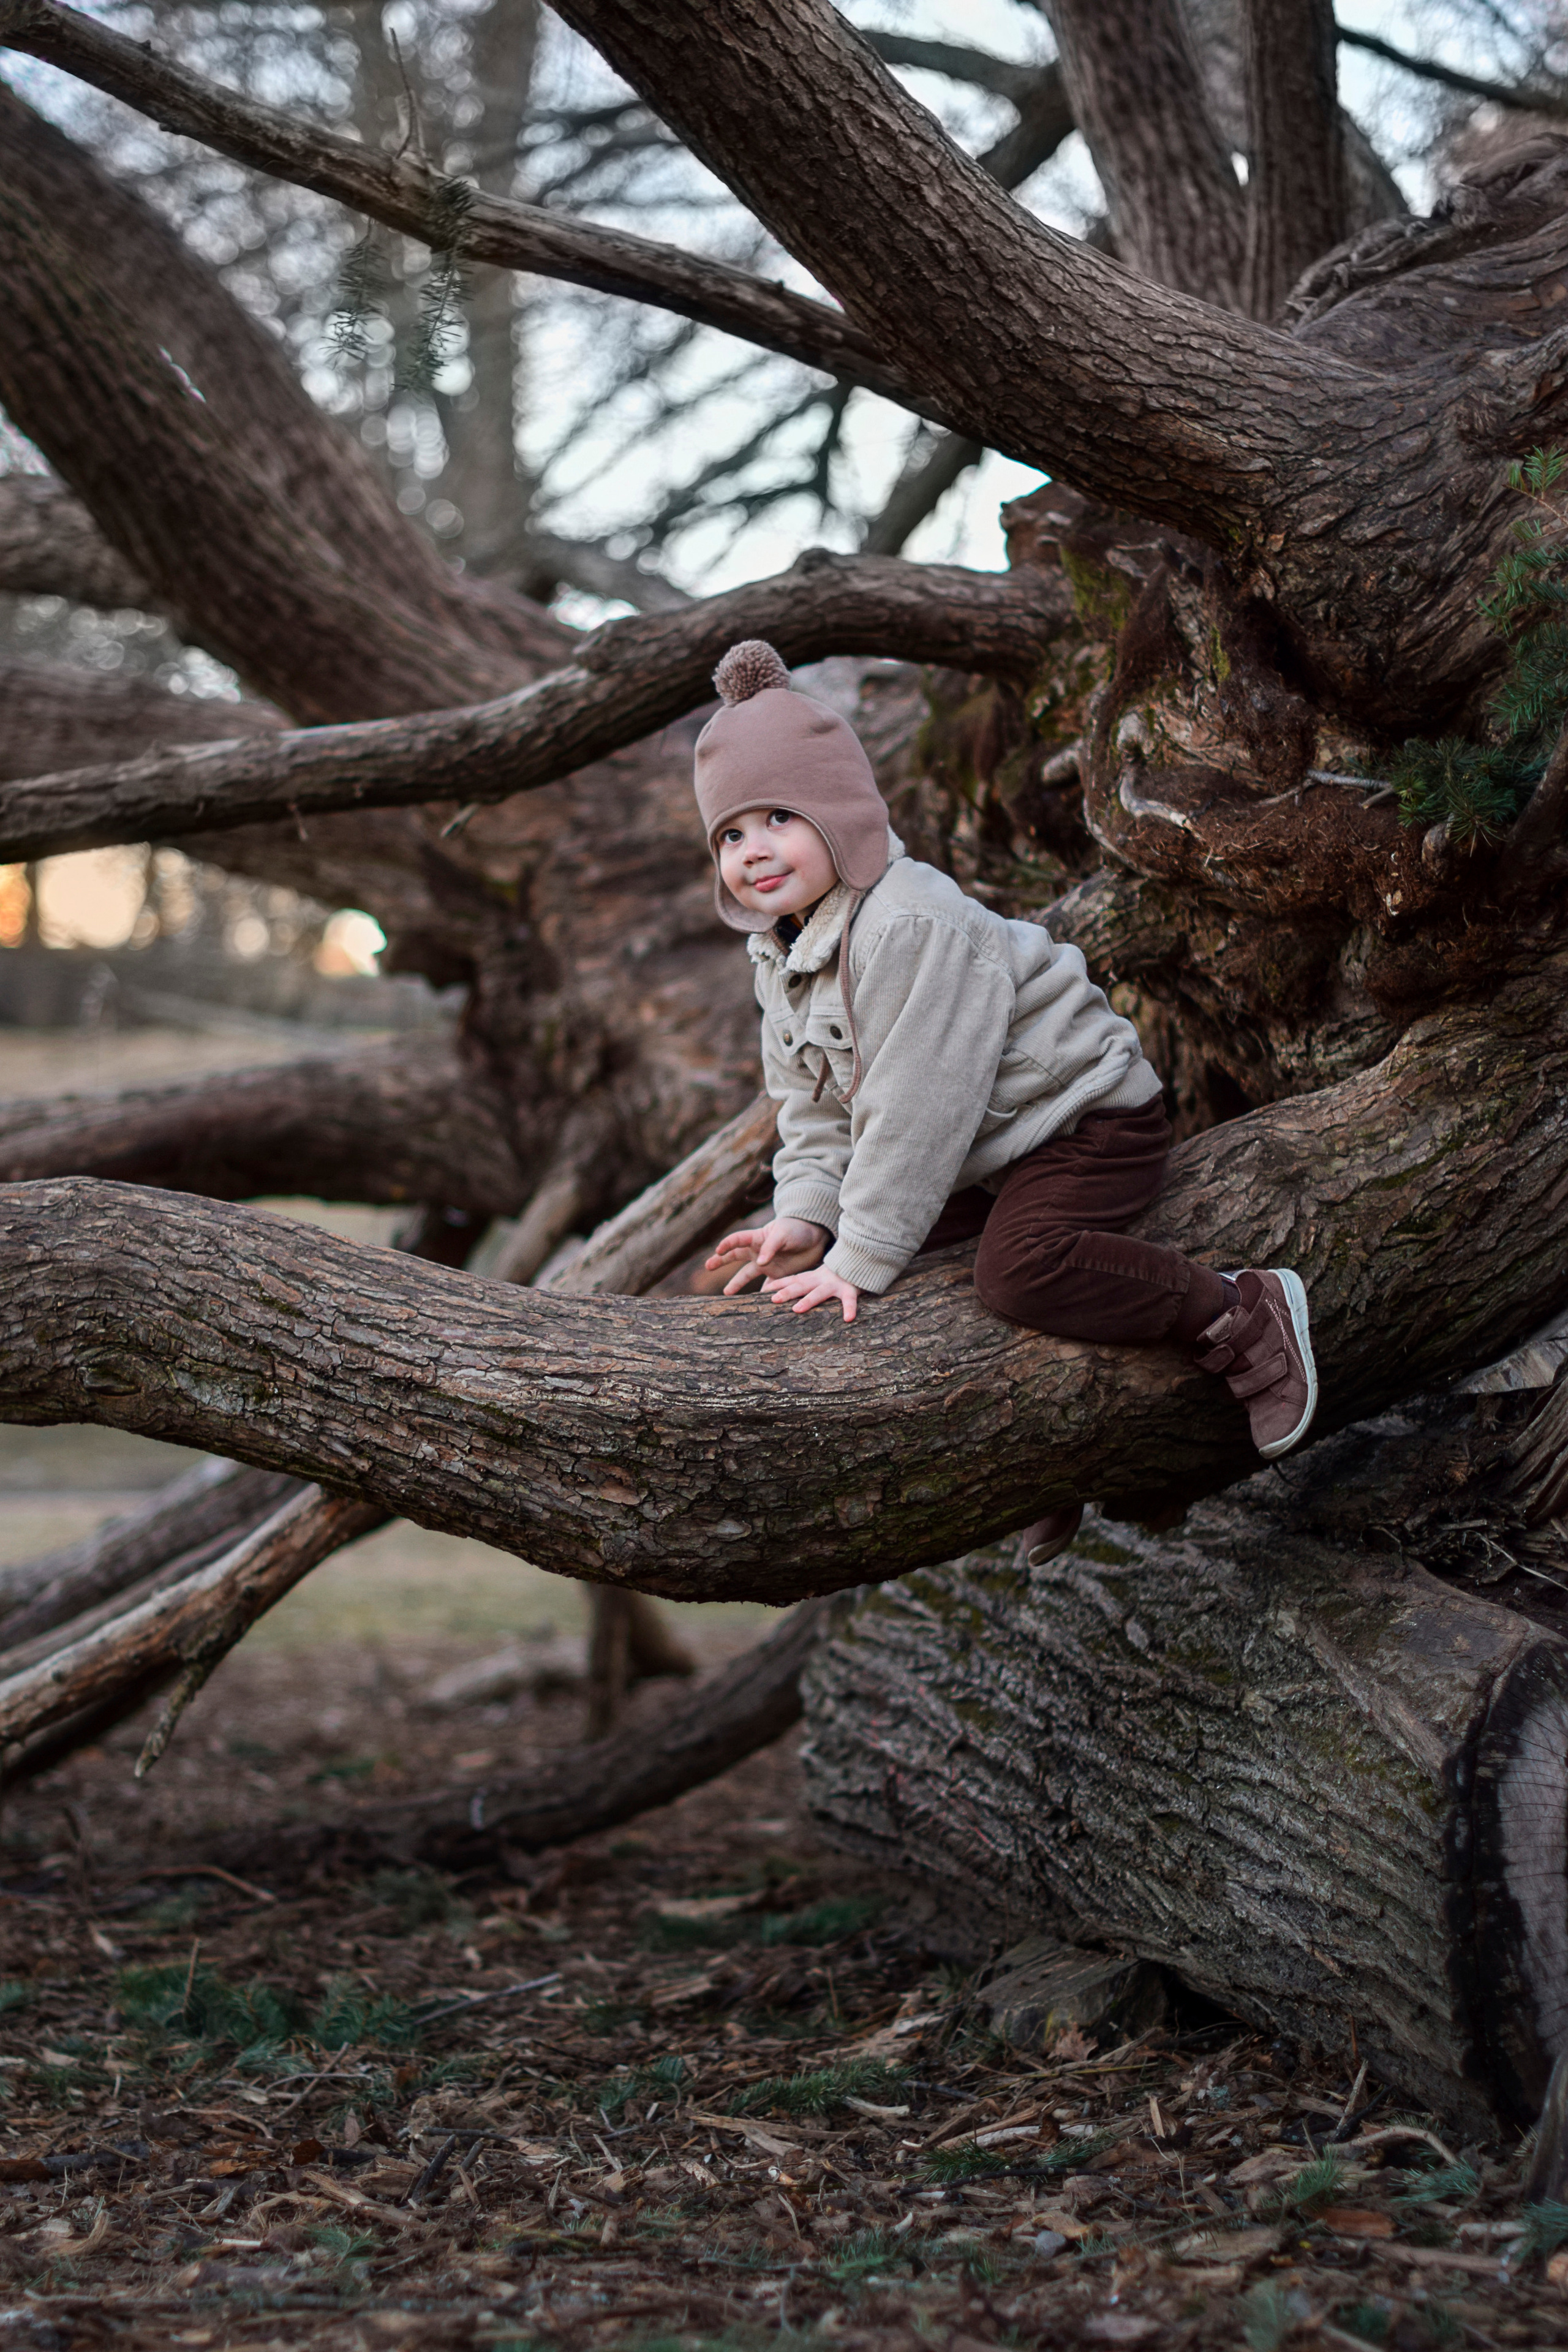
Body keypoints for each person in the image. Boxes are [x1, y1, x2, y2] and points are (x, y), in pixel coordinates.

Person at [696, 639, 1316, 1561]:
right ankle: (1049, 1450)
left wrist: (860, 1252)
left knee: (1015, 1271)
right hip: (983, 1153)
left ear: (841, 813)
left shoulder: (908, 922)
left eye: (779, 816)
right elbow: (814, 1109)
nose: (755, 852)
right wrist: (811, 1218)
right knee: (865, 1287)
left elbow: (916, 1110)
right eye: (732, 835)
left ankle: (1239, 1310)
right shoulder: (782, 956)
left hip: (1081, 1120)